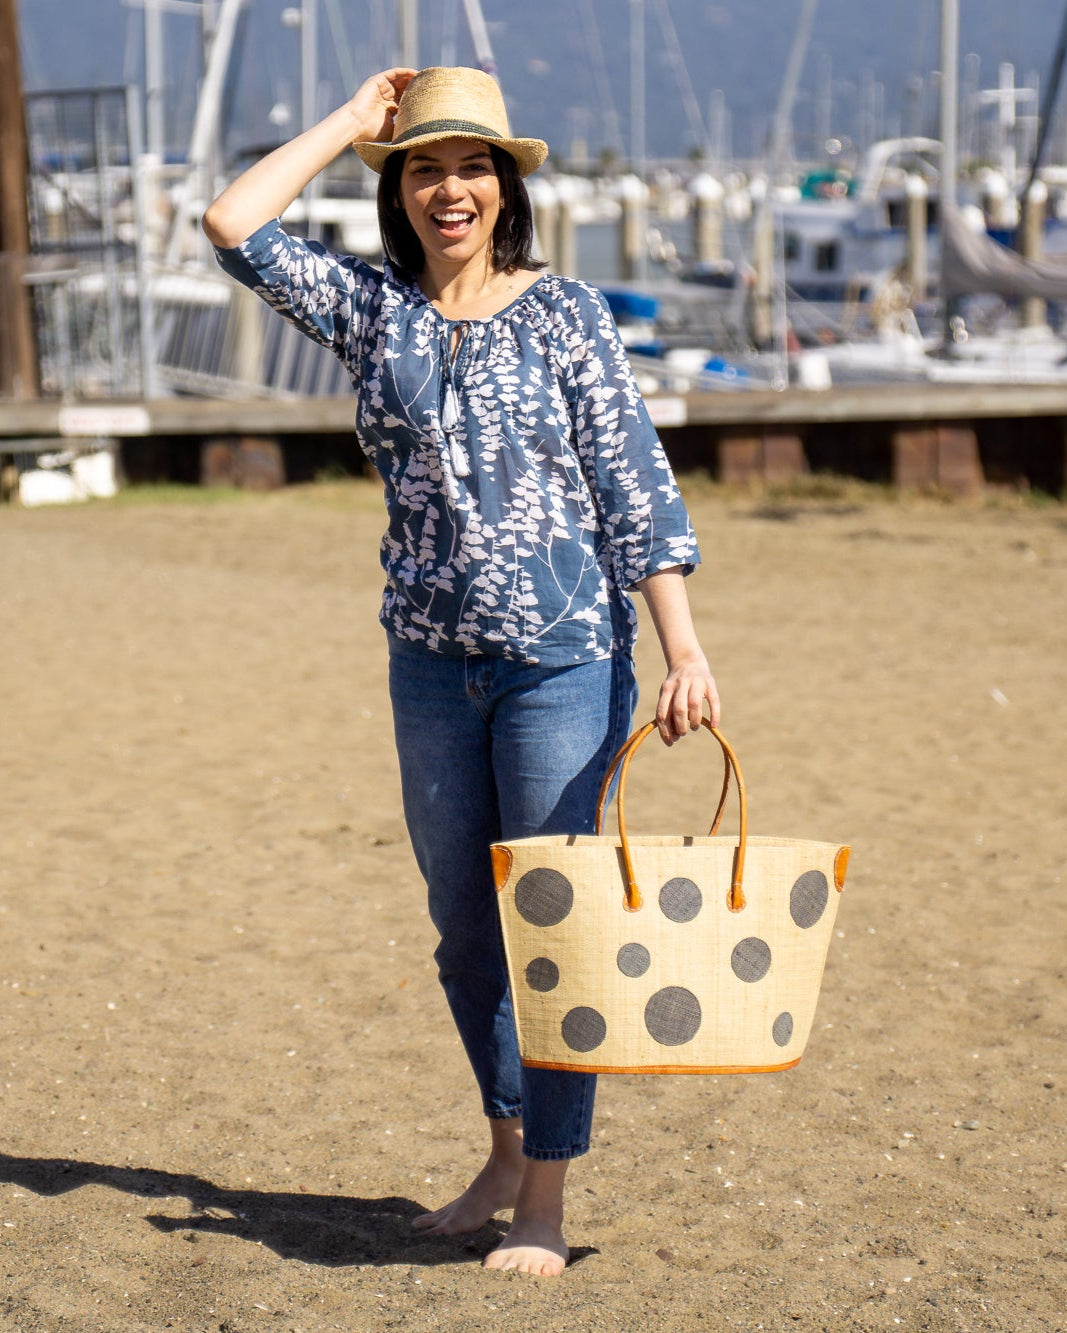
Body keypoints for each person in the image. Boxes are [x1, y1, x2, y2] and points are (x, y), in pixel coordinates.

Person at [202, 65, 720, 1278]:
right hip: (430, 664)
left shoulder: (568, 315)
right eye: (426, 167)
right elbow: (232, 225)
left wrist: (683, 648)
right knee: (461, 930)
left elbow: (632, 485)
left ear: (505, 187)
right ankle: (500, 1149)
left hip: (565, 660)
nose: (450, 189)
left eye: (472, 166)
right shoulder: (368, 310)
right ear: (400, 187)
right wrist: (345, 123)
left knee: (555, 923)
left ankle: (541, 1195)